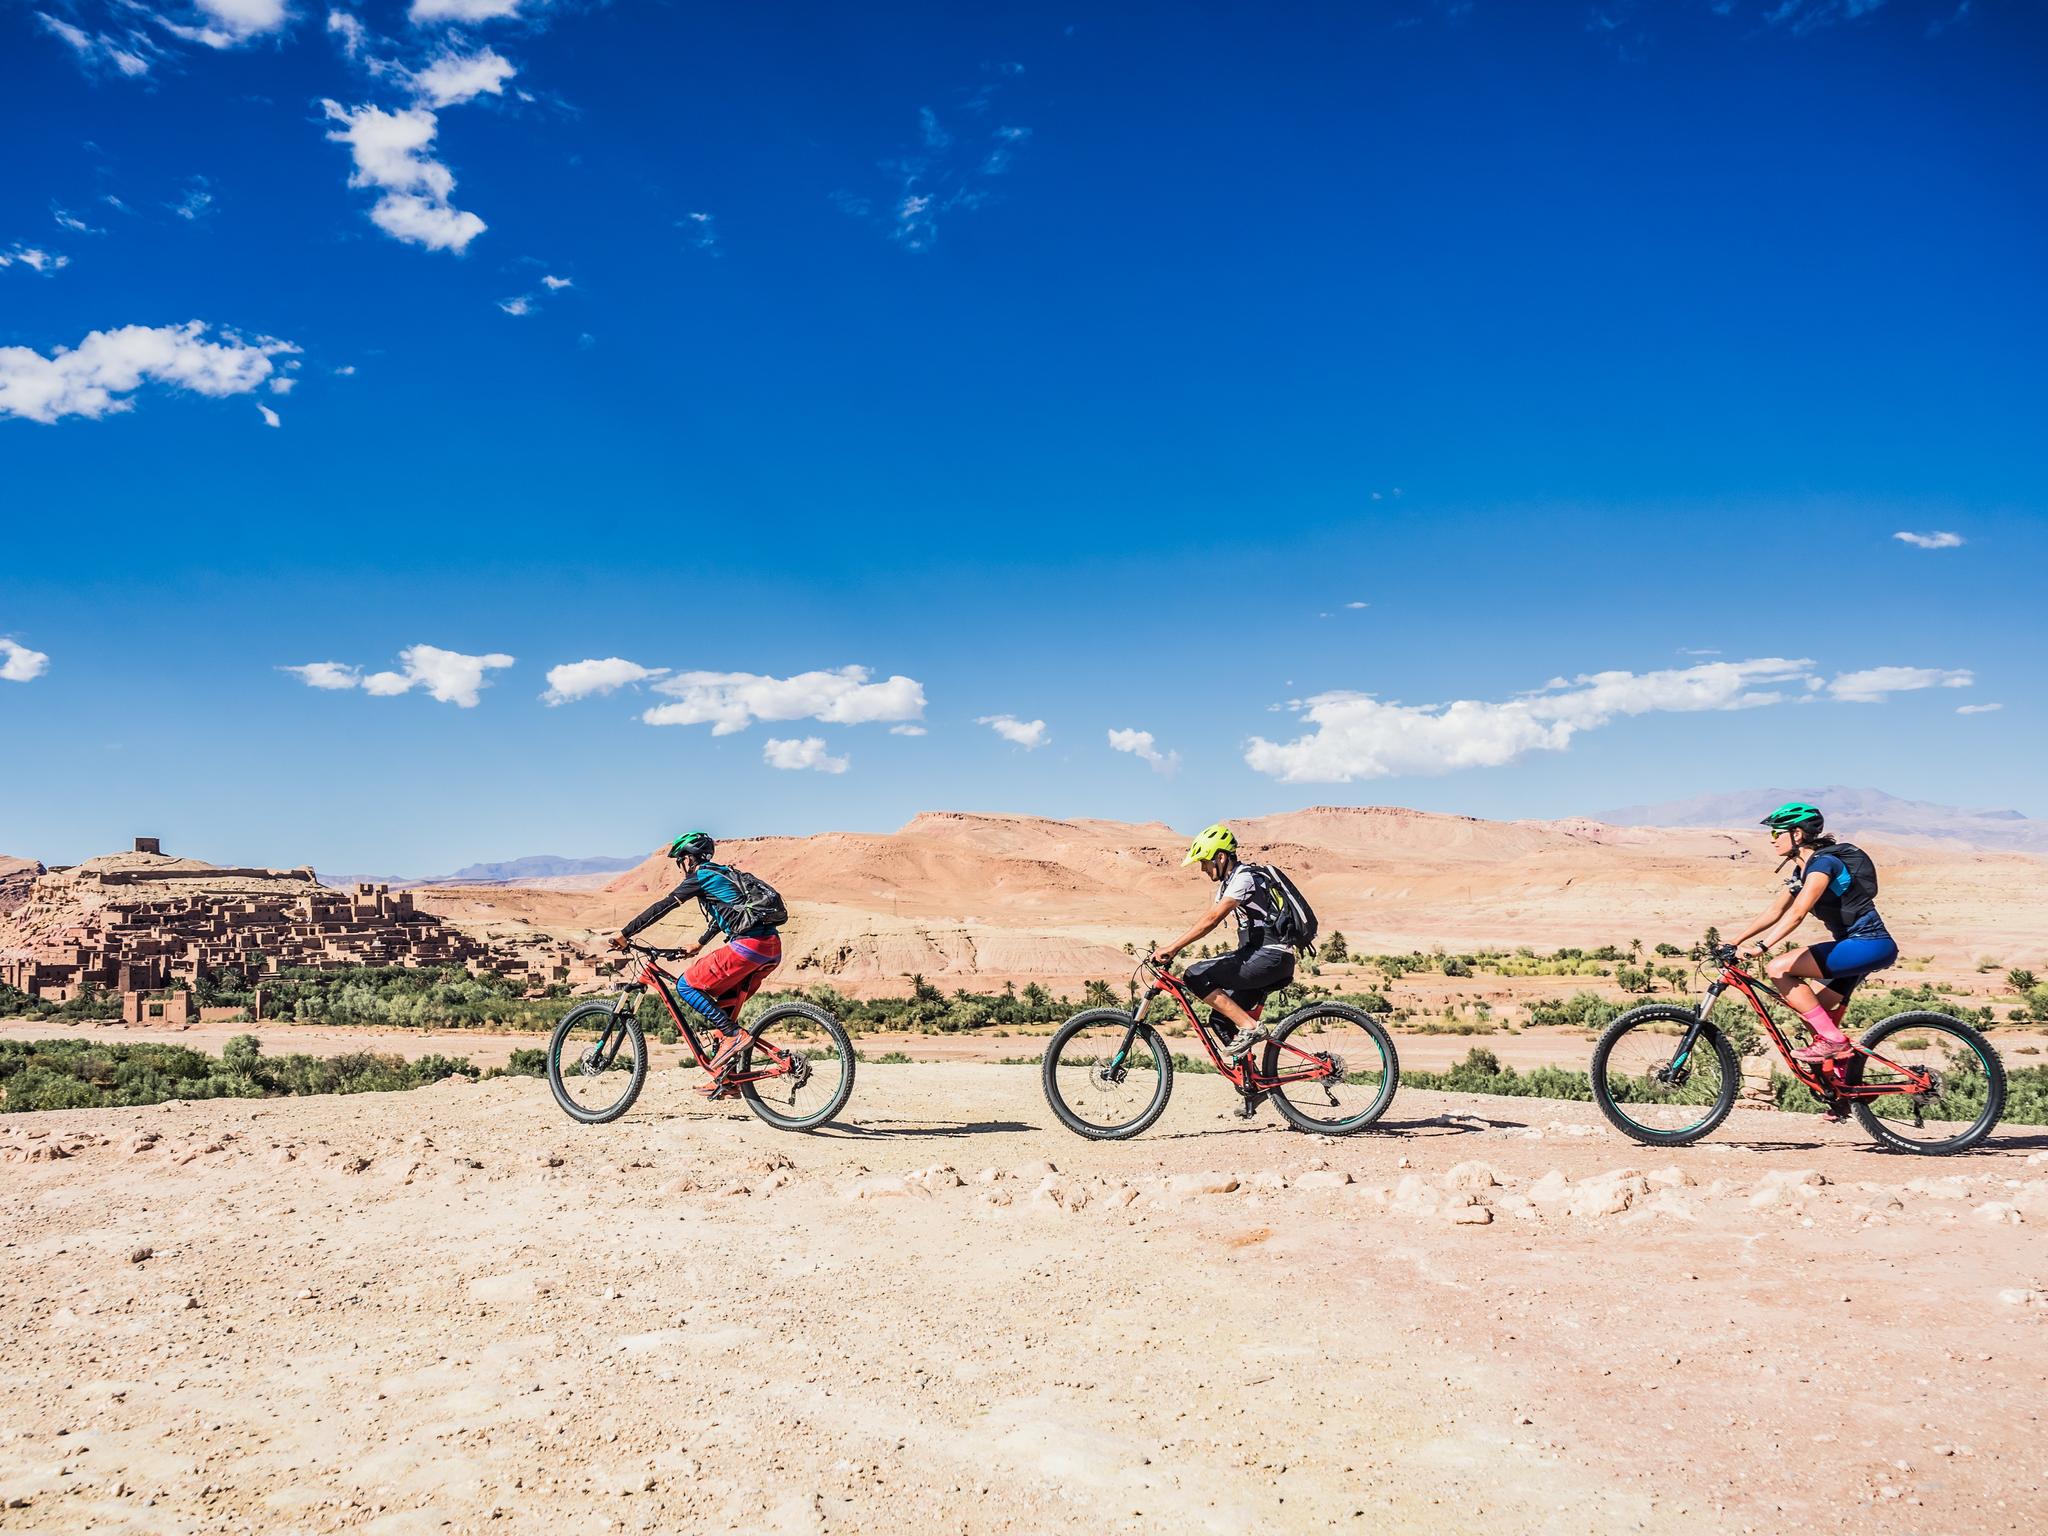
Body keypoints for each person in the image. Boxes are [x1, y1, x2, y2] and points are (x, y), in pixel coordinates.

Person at [1728, 800, 1898, 1093]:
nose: (1771, 841)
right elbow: (1775, 912)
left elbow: (1797, 913)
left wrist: (1761, 947)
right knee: (1814, 1015)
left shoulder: (1823, 864)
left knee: (1779, 968)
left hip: (1868, 944)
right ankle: (1844, 1090)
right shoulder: (1800, 872)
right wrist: (1734, 941)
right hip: (1855, 946)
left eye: (1775, 834)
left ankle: (1834, 1043)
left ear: (1798, 834)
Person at [609, 832, 784, 1095]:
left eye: (680, 860)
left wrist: (626, 933)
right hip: (770, 947)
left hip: (748, 946)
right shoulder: (722, 874)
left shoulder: (700, 877)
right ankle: (727, 1080)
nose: (680, 867)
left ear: (688, 859)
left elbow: (664, 906)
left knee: (686, 986)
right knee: (723, 1009)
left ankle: (734, 1036)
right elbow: (726, 913)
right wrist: (701, 943)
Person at [1148, 823, 1300, 1064]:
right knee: (1220, 1020)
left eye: (1205, 862)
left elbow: (1211, 920)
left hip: (1270, 956)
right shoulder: (1227, 885)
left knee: (1195, 975)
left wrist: (1173, 947)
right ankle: (1252, 1085)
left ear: (1220, 857)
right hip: (1261, 957)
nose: (1203, 869)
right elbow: (1206, 919)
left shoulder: (1244, 878)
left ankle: (1250, 1027)